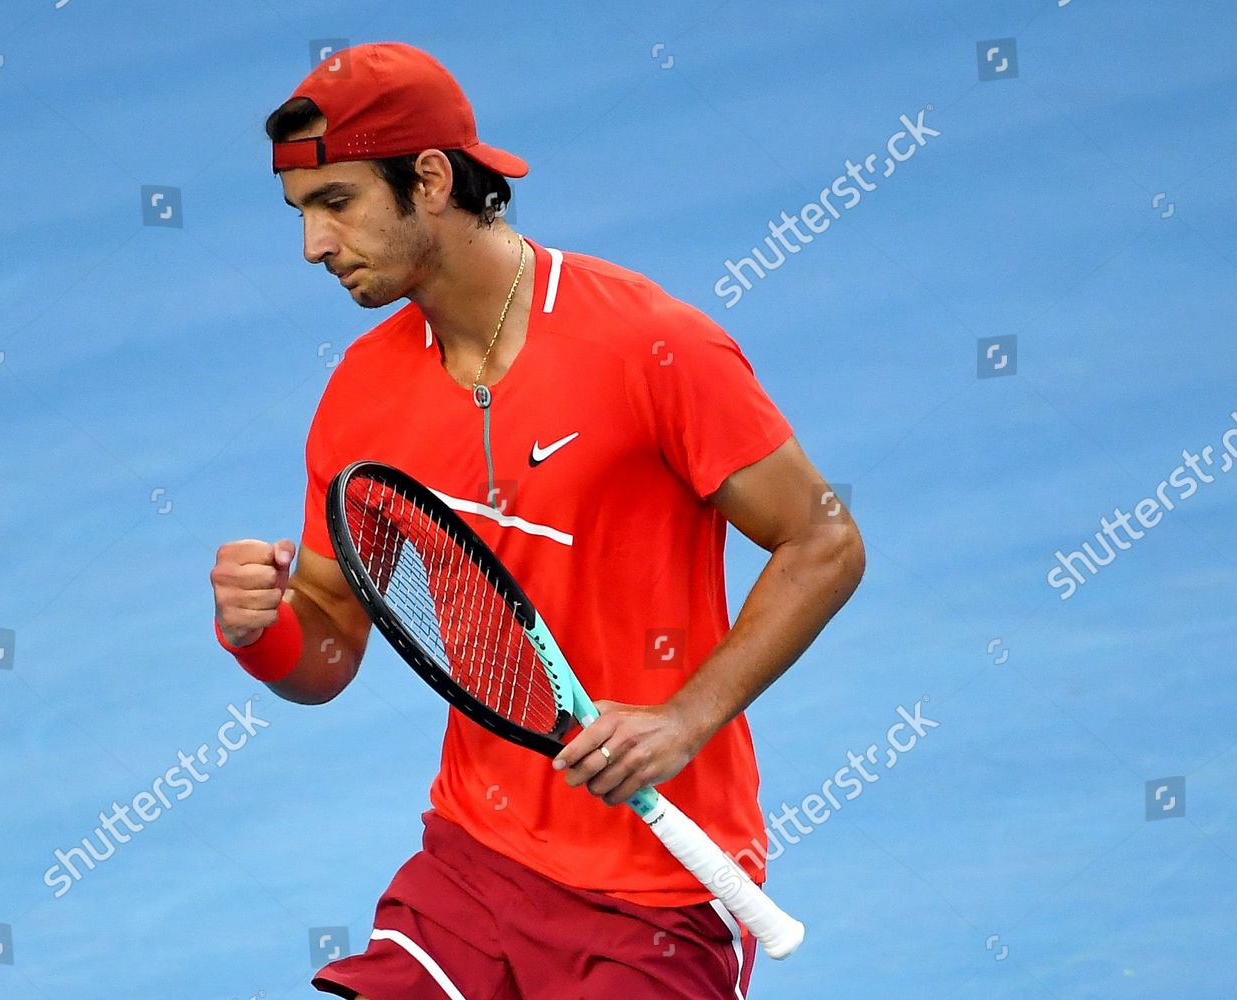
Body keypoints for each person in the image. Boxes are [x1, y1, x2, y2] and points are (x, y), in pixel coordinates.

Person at [209, 41, 865, 1000]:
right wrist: (258, 632)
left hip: (658, 891)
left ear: (429, 179)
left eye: (336, 203)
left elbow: (825, 540)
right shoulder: (359, 393)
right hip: (473, 862)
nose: (313, 245)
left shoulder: (651, 345)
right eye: (302, 213)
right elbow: (332, 642)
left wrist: (686, 718)